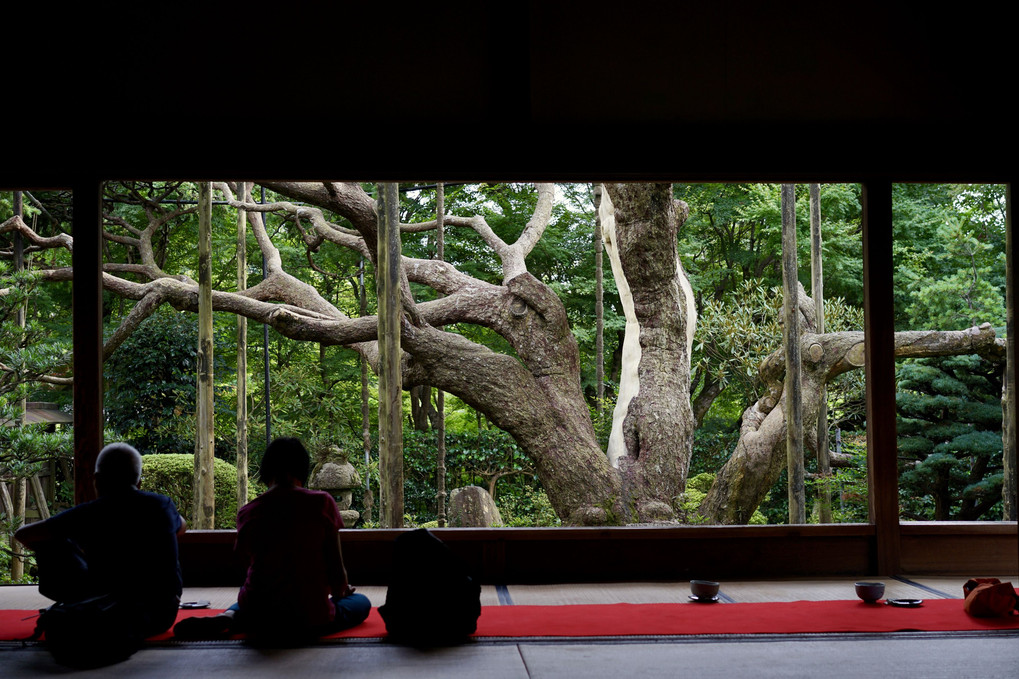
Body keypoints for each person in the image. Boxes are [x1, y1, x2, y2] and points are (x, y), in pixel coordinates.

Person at [174, 437, 370, 640]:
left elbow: (242, 567)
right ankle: (248, 616)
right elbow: (337, 576)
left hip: (259, 615)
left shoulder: (249, 511)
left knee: (252, 591)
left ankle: (230, 616)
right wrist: (338, 590)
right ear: (303, 470)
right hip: (310, 617)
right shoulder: (322, 503)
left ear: (267, 471)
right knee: (360, 602)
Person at [15, 442, 187, 641]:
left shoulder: (87, 513)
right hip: (162, 615)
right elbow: (181, 527)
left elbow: (23, 534)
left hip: (104, 608)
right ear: (139, 483)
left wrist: (76, 546)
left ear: (96, 480)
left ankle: (79, 606)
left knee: (51, 544)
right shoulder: (162, 504)